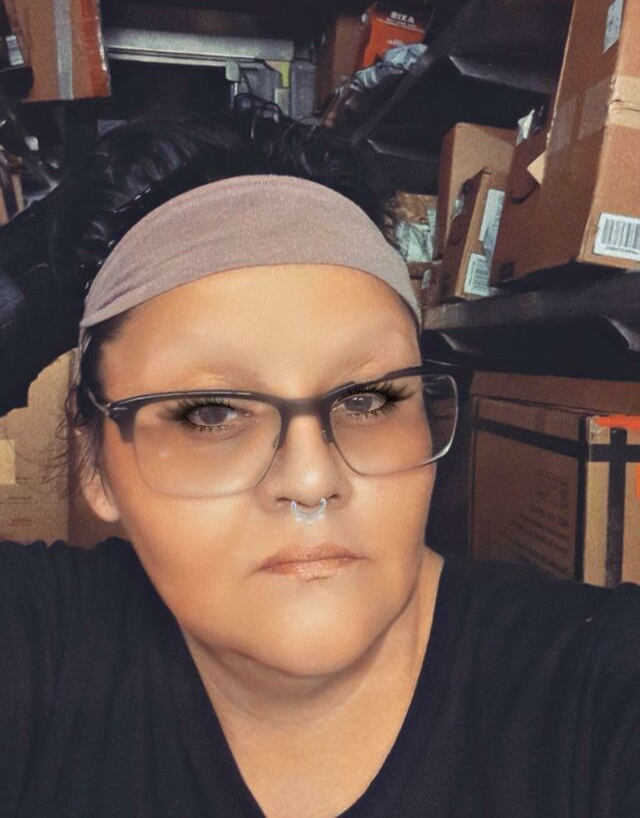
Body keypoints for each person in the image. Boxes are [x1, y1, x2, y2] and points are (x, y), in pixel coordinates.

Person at [0, 132, 639, 818]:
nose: (311, 479)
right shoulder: (41, 650)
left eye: (368, 399)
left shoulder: (595, 687)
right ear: (94, 463)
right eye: (212, 412)